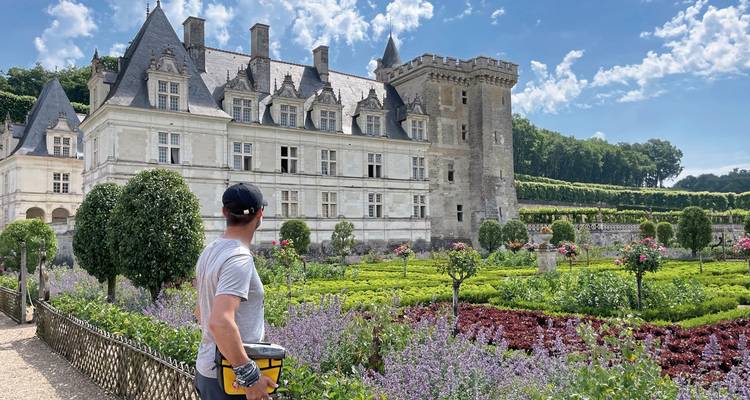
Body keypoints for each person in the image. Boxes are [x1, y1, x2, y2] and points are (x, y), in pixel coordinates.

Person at [194, 183, 276, 400]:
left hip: (209, 368)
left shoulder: (210, 250)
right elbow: (220, 321)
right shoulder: (238, 257)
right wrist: (250, 377)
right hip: (230, 379)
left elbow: (201, 312)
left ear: (224, 212)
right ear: (260, 214)